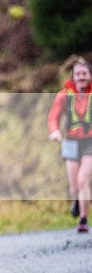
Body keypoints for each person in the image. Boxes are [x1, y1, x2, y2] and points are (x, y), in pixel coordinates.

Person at [48, 55, 92, 233]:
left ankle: (83, 220)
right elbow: (53, 117)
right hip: (71, 141)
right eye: (78, 74)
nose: (81, 77)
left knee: (83, 181)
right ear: (72, 77)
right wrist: (55, 131)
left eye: (85, 74)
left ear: (90, 75)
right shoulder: (63, 95)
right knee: (74, 186)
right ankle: (77, 200)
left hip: (90, 141)